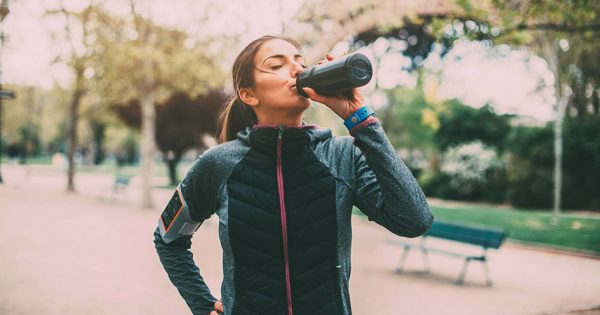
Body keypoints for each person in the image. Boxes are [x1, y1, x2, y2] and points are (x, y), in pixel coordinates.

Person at [153, 35, 434, 315]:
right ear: (248, 94)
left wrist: (361, 119)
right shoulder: (219, 164)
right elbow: (169, 239)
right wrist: (203, 306)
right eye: (277, 65)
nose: (297, 70)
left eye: (300, 62)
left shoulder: (342, 155)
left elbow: (413, 220)